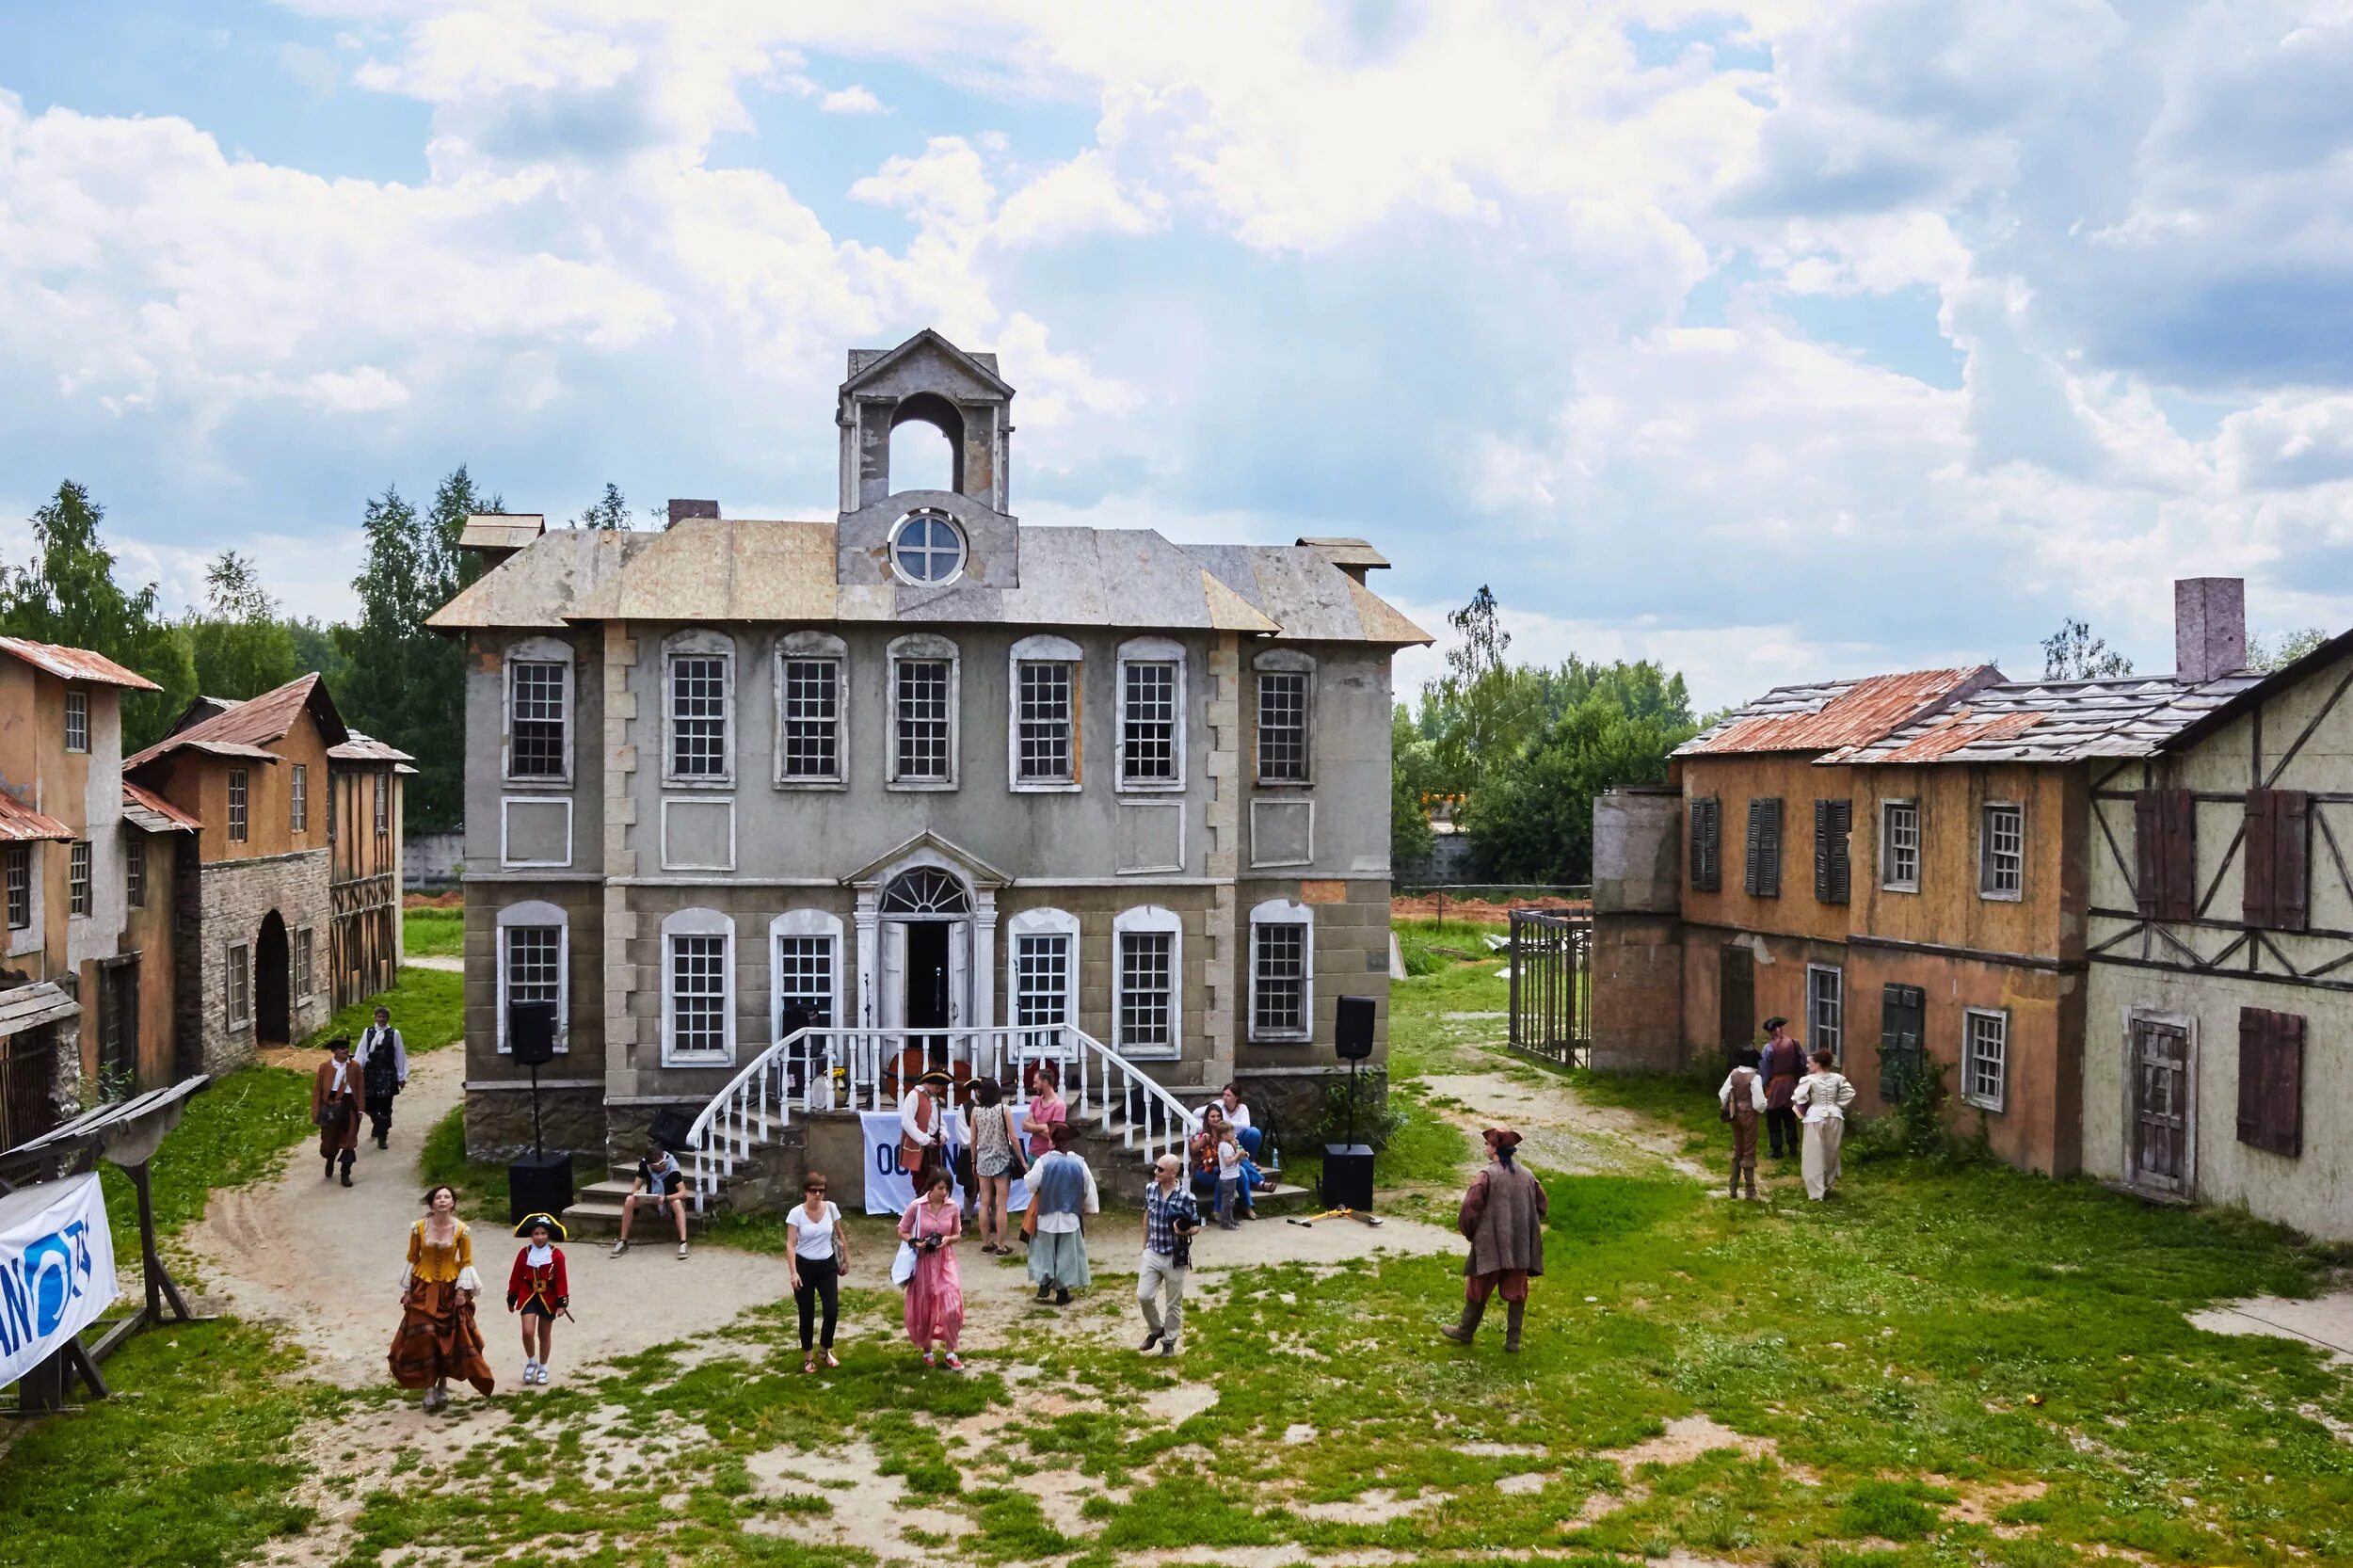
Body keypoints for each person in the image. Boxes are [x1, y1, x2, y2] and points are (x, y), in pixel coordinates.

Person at [1440, 1127, 1547, 1352]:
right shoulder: (1528, 1175)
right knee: (1516, 1290)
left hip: (1490, 1244)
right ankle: (1513, 1341)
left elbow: (1470, 1209)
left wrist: (1472, 1233)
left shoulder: (1486, 1176)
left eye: (1488, 1145)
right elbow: (1541, 1204)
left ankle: (1465, 1331)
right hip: (1519, 1245)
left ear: (1496, 1149)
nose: (1486, 1148)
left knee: (1479, 1286)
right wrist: (1525, 1227)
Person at [391, 1184, 497, 1411]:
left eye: (447, 1197)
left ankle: (442, 1382)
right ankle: (429, 1385)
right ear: (431, 1204)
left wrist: (461, 1292)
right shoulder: (418, 1228)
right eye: (438, 1197)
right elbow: (412, 1257)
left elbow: (466, 1261)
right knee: (425, 1335)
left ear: (453, 1204)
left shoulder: (462, 1230)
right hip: (423, 1288)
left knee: (447, 1338)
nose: (442, 1200)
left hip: (449, 1290)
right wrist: (408, 1291)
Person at [898, 1171, 966, 1370]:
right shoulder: (917, 1207)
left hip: (945, 1260)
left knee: (952, 1305)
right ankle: (927, 1349)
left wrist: (947, 1239)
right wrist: (915, 1242)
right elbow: (901, 1230)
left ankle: (951, 1351)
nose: (944, 1193)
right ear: (931, 1187)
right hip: (923, 1262)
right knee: (925, 1307)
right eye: (940, 1188)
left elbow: (957, 1234)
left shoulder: (953, 1207)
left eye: (947, 1189)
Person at [1026, 1123, 1097, 1305]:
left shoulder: (1044, 1161)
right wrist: (1089, 1208)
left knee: (1044, 1250)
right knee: (1066, 1254)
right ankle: (1062, 1291)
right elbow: (1087, 1188)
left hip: (1046, 1214)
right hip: (1070, 1216)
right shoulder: (1079, 1163)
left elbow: (1031, 1184)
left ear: (1052, 1141)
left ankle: (1044, 1281)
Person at [1137, 1152, 1200, 1357]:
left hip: (1175, 1255)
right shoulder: (1150, 1190)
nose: (1156, 1172)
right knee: (1144, 1296)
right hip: (1153, 1251)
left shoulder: (1186, 1197)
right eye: (1156, 1167)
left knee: (1173, 1302)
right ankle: (1156, 1329)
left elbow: (1196, 1226)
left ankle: (1169, 1342)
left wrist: (1184, 1231)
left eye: (1161, 1169)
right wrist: (1144, 1245)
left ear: (1173, 1172)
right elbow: (1147, 1215)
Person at [787, 1173, 849, 1373]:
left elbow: (839, 1234)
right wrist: (793, 1272)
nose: (818, 1194)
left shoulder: (831, 1208)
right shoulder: (796, 1213)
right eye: (813, 1191)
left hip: (827, 1265)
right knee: (807, 1313)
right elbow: (790, 1244)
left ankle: (824, 1349)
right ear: (806, 1192)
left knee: (832, 1311)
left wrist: (845, 1258)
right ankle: (808, 1356)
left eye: (821, 1190)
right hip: (805, 1266)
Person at [504, 1212, 569, 1386]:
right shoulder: (524, 1254)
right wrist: (512, 1297)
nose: (540, 1237)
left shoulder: (557, 1255)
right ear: (531, 1236)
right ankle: (532, 1361)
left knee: (544, 1333)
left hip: (548, 1297)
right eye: (536, 1234)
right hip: (528, 1295)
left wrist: (562, 1301)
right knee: (527, 1332)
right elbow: (516, 1276)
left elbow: (562, 1279)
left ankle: (543, 1367)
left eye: (543, 1233)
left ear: (548, 1235)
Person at [1791, 1048, 1858, 1202]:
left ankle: (1816, 1192)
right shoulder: (1838, 1078)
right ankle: (1826, 1184)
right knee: (1830, 1152)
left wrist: (1805, 1106)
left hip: (1815, 1117)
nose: (1808, 1066)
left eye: (1810, 1063)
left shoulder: (1809, 1080)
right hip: (1834, 1116)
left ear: (1818, 1064)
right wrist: (1837, 1105)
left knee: (1813, 1154)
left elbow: (1798, 1096)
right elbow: (1850, 1092)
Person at [968, 1078, 1022, 1256]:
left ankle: (986, 1242)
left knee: (984, 1203)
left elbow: (973, 1140)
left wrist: (973, 1161)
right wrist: (1021, 1160)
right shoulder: (1003, 1109)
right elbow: (1013, 1138)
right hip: (1001, 1159)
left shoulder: (976, 1112)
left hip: (983, 1160)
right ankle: (1001, 1245)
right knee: (1001, 1205)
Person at [613, 1139, 690, 1258]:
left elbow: (684, 1193)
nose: (663, 1165)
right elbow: (634, 1188)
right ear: (651, 1165)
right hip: (651, 1199)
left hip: (669, 1199)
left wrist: (665, 1199)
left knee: (677, 1203)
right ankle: (623, 1241)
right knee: (629, 1200)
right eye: (659, 1164)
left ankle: (683, 1243)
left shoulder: (672, 1168)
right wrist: (638, 1195)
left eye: (663, 1161)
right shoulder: (645, 1166)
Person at [1718, 1047, 1769, 1201]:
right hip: (1749, 1115)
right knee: (1749, 1151)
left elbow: (1722, 1094)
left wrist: (1731, 1104)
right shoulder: (1754, 1077)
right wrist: (1763, 1106)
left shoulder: (1733, 1074)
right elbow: (1759, 1102)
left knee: (1738, 1150)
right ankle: (1750, 1191)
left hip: (1735, 1115)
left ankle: (1733, 1188)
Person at [355, 1005, 408, 1149]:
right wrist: (357, 1070)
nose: (381, 1019)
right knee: (368, 1104)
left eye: (384, 1017)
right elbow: (361, 1051)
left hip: (387, 1074)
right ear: (375, 1017)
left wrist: (401, 1076)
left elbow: (399, 1055)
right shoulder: (368, 1032)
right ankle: (378, 1124)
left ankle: (382, 1137)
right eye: (379, 1017)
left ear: (387, 1018)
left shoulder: (394, 1034)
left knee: (385, 1105)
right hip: (370, 1074)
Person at [313, 1036, 361, 1187]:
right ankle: (330, 1159)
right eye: (342, 1048)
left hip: (349, 1108)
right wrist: (316, 1111)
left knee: (349, 1142)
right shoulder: (325, 1067)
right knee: (329, 1142)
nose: (346, 1051)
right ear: (334, 1051)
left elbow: (360, 1089)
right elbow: (318, 1091)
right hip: (330, 1108)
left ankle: (345, 1173)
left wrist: (360, 1110)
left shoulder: (355, 1067)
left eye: (347, 1048)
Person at [899, 1068, 953, 1194]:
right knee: (921, 1182)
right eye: (937, 1087)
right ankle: (921, 1210)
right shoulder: (914, 1095)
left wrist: (943, 1134)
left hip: (934, 1144)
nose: (939, 1090)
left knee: (935, 1179)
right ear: (927, 1083)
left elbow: (940, 1121)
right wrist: (924, 1139)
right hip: (920, 1146)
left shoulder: (933, 1097)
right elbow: (907, 1122)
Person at [1759, 1017, 1805, 1160]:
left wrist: (1765, 1085)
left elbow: (1765, 1069)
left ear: (1771, 1032)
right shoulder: (1794, 1043)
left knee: (1773, 1118)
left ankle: (1777, 1149)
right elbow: (1802, 1062)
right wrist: (1797, 1079)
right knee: (1790, 1117)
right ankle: (1792, 1147)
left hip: (1776, 1085)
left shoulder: (1768, 1048)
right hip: (1791, 1083)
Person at [1020, 1061, 1067, 1161]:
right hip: (1032, 1154)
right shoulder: (1035, 1101)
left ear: (1045, 1083)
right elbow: (1024, 1126)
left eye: (1036, 1083)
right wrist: (1045, 1127)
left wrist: (1033, 1127)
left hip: (1049, 1157)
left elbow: (1054, 1135)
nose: (1033, 1086)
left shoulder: (1059, 1105)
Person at [1215, 1124, 1246, 1231]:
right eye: (1231, 1133)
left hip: (1231, 1176)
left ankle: (1230, 1218)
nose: (1234, 1135)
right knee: (1228, 1201)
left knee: (1230, 1200)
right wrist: (1238, 1154)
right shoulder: (1225, 1147)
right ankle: (1225, 1222)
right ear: (1224, 1135)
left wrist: (1239, 1153)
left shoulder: (1227, 1145)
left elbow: (1235, 1161)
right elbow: (1228, 1162)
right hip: (1228, 1178)